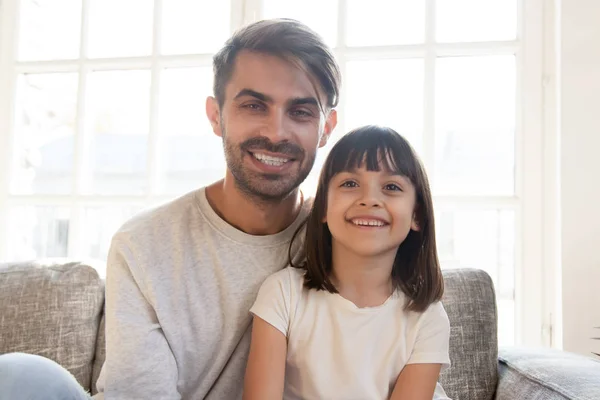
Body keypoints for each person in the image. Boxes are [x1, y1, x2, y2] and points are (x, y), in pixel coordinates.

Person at [0, 18, 339, 400]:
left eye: (301, 112)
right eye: (254, 105)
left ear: (327, 128)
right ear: (216, 115)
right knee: (20, 377)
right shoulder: (144, 244)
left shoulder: (345, 243)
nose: (276, 133)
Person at [243, 126, 452, 400]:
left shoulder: (427, 318)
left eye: (391, 187)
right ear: (323, 209)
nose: (369, 200)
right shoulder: (283, 294)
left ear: (417, 216)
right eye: (350, 184)